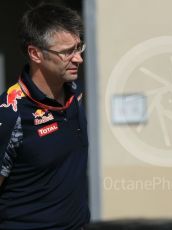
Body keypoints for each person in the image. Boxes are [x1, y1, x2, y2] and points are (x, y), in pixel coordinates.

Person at [0, 3, 89, 229]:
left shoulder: (75, 94)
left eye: (79, 48)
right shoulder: (10, 113)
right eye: (67, 52)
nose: (78, 58)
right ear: (35, 53)